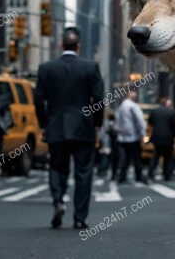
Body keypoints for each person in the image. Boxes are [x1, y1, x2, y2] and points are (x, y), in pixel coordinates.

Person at [35, 28, 104, 230]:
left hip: (56, 126)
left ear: (61, 45)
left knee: (56, 167)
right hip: (83, 127)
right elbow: (98, 98)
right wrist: (97, 122)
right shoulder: (90, 67)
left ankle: (58, 201)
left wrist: (43, 124)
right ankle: (80, 218)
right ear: (78, 47)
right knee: (84, 173)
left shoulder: (46, 68)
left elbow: (38, 100)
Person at [115, 90, 147, 184]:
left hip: (122, 137)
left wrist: (118, 129)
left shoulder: (121, 107)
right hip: (133, 137)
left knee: (124, 158)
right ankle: (138, 176)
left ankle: (122, 177)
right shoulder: (134, 107)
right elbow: (140, 121)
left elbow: (117, 121)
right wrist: (142, 134)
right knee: (137, 158)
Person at [147, 99, 175, 181]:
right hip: (168, 138)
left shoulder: (155, 111)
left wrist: (157, 127)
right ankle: (166, 175)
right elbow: (174, 127)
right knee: (167, 157)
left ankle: (150, 173)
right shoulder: (172, 113)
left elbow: (150, 122)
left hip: (157, 137)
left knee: (155, 156)